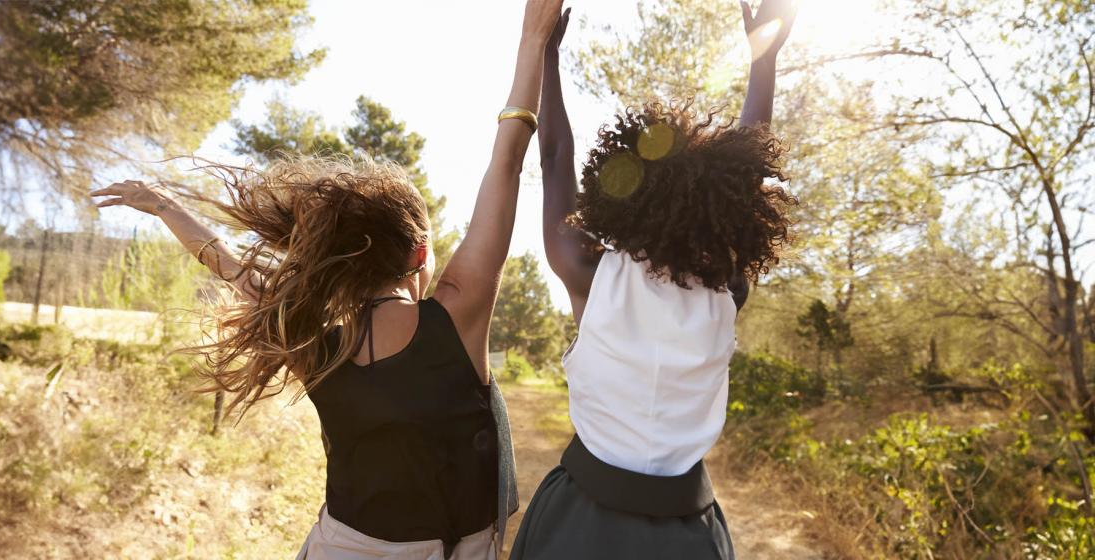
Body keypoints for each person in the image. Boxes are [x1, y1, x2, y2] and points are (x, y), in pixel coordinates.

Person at [89, 1, 564, 557]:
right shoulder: (455, 316)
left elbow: (227, 262)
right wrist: (534, 39)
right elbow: (507, 161)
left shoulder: (311, 337)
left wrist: (166, 206)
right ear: (418, 254)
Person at [509, 1, 799, 558]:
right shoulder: (725, 292)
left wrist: (546, 53)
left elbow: (554, 157)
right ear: (728, 211)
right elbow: (750, 171)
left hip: (578, 523)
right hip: (691, 535)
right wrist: (765, 60)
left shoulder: (591, 272)